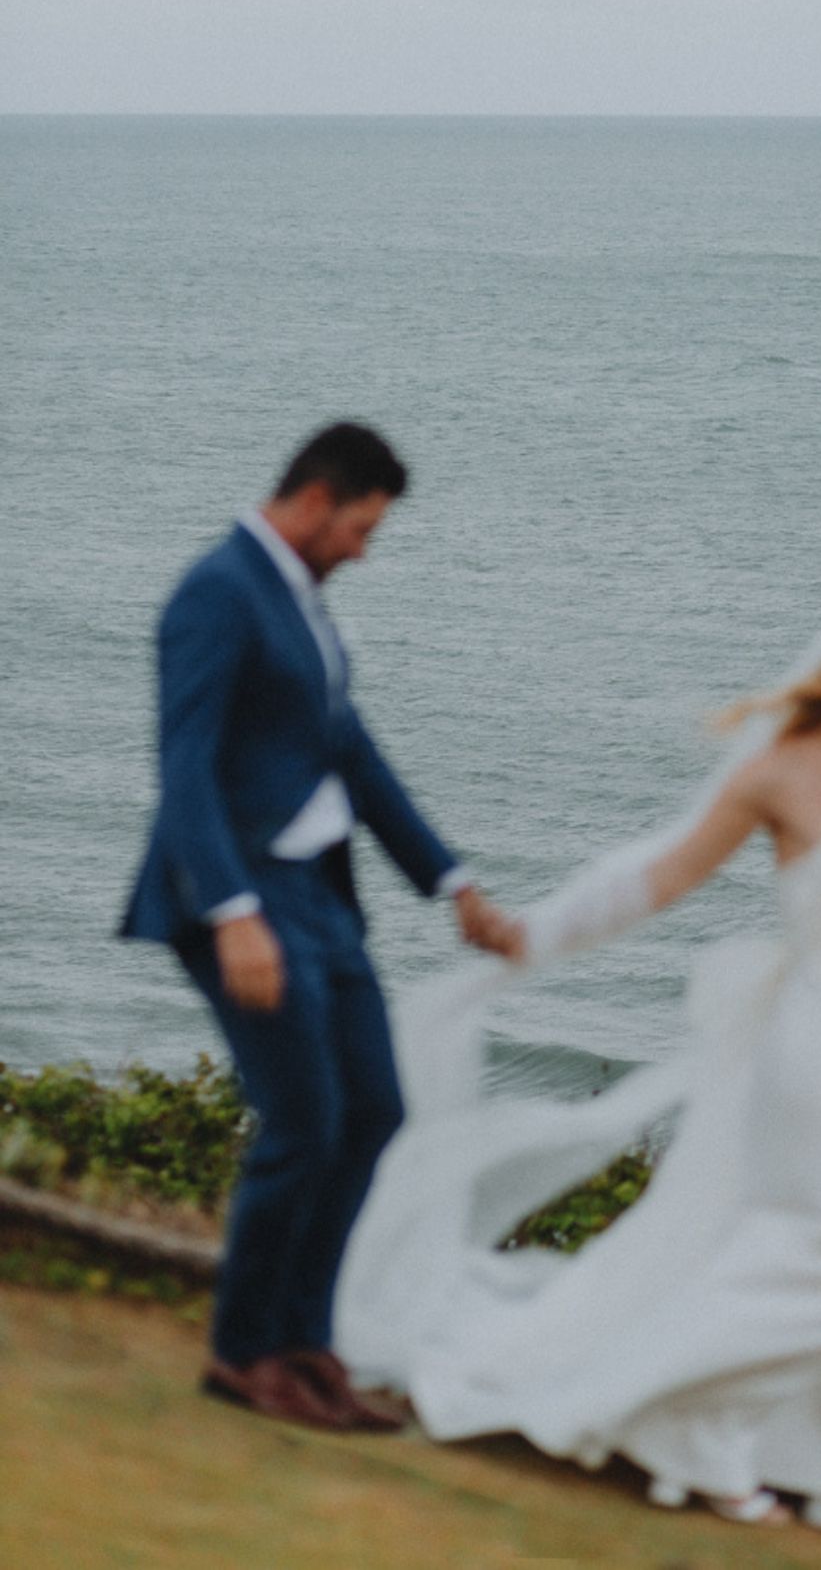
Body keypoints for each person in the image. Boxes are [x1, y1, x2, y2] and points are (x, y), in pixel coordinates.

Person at [337, 596, 821, 1552]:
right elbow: (653, 876)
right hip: (812, 1052)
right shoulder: (775, 774)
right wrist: (530, 937)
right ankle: (699, 1434)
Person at [122, 421, 515, 1430]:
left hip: (322, 904)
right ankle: (241, 1351)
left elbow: (351, 751)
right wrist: (233, 911)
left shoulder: (303, 604)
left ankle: (306, 1343)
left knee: (374, 1110)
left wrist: (452, 881)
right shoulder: (216, 591)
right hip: (243, 900)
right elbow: (187, 768)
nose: (362, 548)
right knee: (301, 1123)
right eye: (361, 527)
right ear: (314, 500)